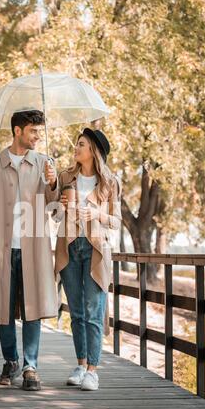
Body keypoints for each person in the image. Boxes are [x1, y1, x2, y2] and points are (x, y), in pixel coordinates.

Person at [0, 110, 60, 391]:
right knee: (3, 308)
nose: (38, 137)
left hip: (33, 249)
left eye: (39, 132)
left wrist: (53, 182)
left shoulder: (45, 164)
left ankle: (30, 366)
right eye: (34, 131)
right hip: (1, 248)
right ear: (18, 131)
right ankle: (10, 361)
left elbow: (54, 207)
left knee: (33, 308)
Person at [55, 128, 121, 391]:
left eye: (81, 144)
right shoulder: (65, 177)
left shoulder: (109, 183)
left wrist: (96, 215)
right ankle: (80, 365)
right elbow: (55, 216)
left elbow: (116, 221)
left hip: (95, 251)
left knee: (94, 312)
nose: (76, 148)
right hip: (69, 248)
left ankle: (93, 371)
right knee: (77, 313)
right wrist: (59, 208)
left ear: (93, 150)